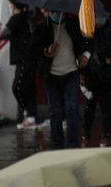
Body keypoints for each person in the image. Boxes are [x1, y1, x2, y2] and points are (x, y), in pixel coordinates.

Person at [34, 9, 91, 149]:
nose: (57, 13)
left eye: (59, 11)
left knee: (71, 108)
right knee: (56, 111)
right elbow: (33, 50)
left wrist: (85, 55)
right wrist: (46, 52)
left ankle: (72, 142)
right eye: (54, 10)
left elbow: (88, 42)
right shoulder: (41, 28)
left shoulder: (74, 25)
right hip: (51, 76)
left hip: (71, 73)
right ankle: (57, 143)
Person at [0, 0, 37, 127]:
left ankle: (28, 113)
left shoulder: (16, 19)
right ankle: (31, 116)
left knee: (17, 87)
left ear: (13, 4)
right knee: (29, 87)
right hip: (30, 57)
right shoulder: (27, 18)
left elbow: (3, 34)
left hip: (23, 57)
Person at [82, 16, 111, 147]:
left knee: (106, 106)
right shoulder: (88, 35)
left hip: (107, 76)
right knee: (89, 106)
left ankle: (105, 135)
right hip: (92, 75)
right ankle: (86, 134)